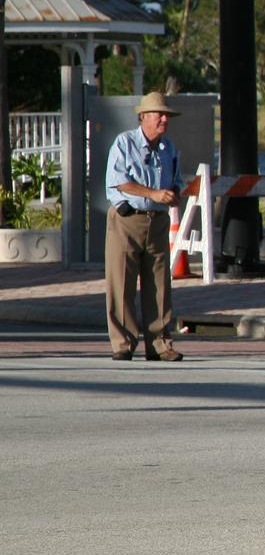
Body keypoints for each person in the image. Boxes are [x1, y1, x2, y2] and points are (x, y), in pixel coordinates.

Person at [105, 92, 185, 362]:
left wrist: (174, 193)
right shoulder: (124, 143)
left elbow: (176, 180)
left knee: (159, 284)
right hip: (127, 220)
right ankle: (123, 343)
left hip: (158, 221)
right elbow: (119, 182)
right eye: (159, 115)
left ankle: (160, 344)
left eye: (167, 116)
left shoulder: (170, 148)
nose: (164, 119)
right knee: (121, 282)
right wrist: (153, 193)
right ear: (143, 117)